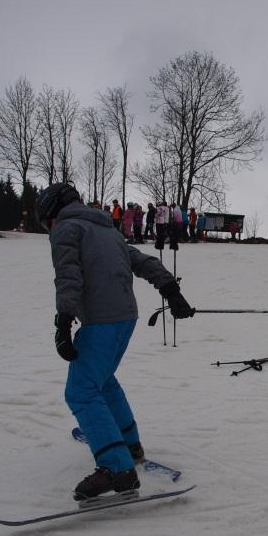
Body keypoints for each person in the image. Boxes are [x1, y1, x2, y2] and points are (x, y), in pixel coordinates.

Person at [35, 183, 195, 500]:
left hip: (102, 320)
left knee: (80, 390)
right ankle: (129, 444)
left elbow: (68, 276)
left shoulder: (66, 228)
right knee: (103, 380)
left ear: (51, 212)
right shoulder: (105, 228)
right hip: (125, 317)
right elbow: (141, 260)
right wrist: (171, 290)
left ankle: (116, 467)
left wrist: (63, 321)